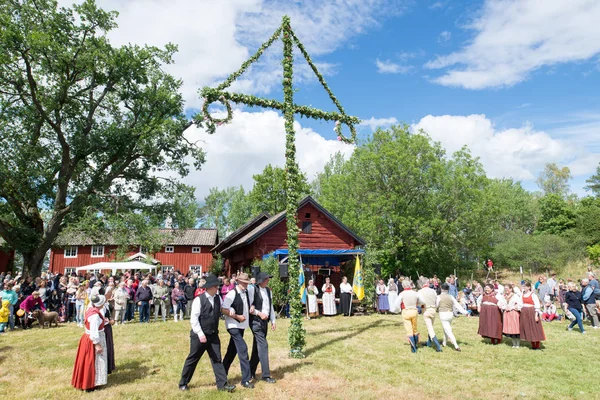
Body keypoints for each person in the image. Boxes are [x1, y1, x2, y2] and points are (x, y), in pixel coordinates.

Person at [178, 274, 235, 392]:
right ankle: (183, 383)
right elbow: (193, 319)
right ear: (211, 287)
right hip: (199, 336)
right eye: (216, 287)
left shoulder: (218, 298)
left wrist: (232, 310)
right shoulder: (199, 300)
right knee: (193, 358)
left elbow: (224, 308)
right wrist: (200, 334)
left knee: (217, 359)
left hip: (213, 335)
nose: (218, 289)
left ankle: (222, 385)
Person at [222, 272, 254, 389]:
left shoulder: (245, 293)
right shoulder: (232, 293)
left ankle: (222, 375)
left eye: (247, 283)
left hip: (241, 326)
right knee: (243, 349)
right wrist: (236, 316)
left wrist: (252, 306)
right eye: (245, 283)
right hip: (233, 326)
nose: (246, 285)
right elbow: (224, 309)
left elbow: (248, 304)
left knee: (232, 352)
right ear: (239, 282)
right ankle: (245, 380)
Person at [71, 295, 108, 391]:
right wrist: (97, 344)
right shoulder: (95, 315)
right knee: (92, 360)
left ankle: (89, 381)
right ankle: (90, 383)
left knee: (88, 360)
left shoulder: (91, 310)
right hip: (93, 339)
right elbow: (94, 331)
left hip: (87, 338)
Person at [248, 272, 277, 384]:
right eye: (266, 279)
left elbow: (271, 306)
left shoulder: (268, 290)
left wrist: (273, 320)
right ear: (260, 280)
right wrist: (259, 313)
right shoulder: (253, 290)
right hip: (256, 321)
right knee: (263, 346)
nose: (268, 281)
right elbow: (249, 307)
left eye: (268, 279)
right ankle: (266, 375)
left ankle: (250, 371)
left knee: (257, 347)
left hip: (265, 322)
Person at [393, 280, 424, 353]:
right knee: (415, 329)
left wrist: (397, 310)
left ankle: (413, 348)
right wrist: (418, 304)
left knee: (409, 330)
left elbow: (396, 304)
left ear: (403, 286)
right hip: (414, 310)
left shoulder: (402, 294)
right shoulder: (415, 293)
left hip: (406, 311)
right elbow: (422, 301)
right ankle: (416, 343)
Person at [437, 283, 468, 351]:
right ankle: (444, 342)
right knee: (446, 329)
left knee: (448, 330)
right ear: (448, 289)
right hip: (450, 314)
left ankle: (456, 346)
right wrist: (465, 312)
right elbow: (457, 305)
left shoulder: (439, 297)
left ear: (441, 289)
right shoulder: (451, 296)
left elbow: (436, 305)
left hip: (443, 314)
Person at [520, 281, 546, 349]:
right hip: (525, 312)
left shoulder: (533, 295)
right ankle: (532, 343)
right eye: (523, 287)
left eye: (525, 287)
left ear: (529, 287)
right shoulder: (522, 294)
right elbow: (521, 303)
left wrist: (536, 315)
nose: (523, 288)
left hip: (532, 312)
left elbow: (537, 305)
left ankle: (537, 344)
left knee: (534, 328)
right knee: (528, 327)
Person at [418, 279, 442, 352]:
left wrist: (422, 307)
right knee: (430, 326)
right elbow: (438, 300)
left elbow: (420, 303)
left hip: (426, 310)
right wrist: (435, 307)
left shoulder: (420, 292)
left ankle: (438, 346)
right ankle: (428, 343)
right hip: (433, 310)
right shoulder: (433, 291)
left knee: (430, 329)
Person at [501, 284, 522, 348]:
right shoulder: (504, 296)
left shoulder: (515, 296)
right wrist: (504, 307)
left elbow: (520, 304)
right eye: (505, 289)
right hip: (507, 313)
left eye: (507, 289)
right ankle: (513, 343)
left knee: (515, 328)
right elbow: (500, 303)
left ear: (511, 289)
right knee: (510, 328)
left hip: (513, 313)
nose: (506, 290)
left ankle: (517, 344)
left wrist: (512, 307)